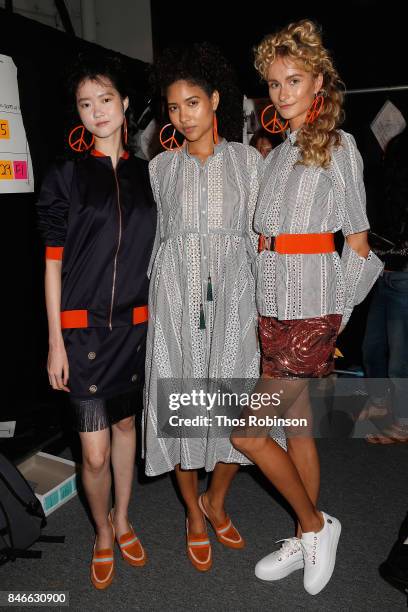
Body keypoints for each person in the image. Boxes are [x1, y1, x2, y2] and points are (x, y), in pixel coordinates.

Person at [230, 19, 383, 595]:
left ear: (319, 81)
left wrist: (332, 317)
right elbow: (261, 243)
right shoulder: (273, 156)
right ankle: (305, 532)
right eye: (273, 83)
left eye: (294, 79)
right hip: (273, 312)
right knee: (297, 431)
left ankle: (319, 525)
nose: (283, 92)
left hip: (311, 313)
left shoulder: (338, 147)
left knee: (247, 434)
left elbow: (360, 247)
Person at [144, 42, 285, 572]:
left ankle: (217, 500)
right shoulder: (161, 169)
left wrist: (270, 309)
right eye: (174, 108)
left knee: (235, 408)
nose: (183, 117)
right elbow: (158, 239)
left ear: (216, 100)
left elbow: (258, 240)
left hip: (234, 300)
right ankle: (194, 515)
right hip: (177, 302)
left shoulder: (250, 162)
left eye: (193, 104)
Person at [36, 54, 156, 589]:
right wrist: (54, 341)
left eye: (105, 99)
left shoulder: (148, 175)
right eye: (86, 104)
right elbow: (52, 264)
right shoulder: (65, 175)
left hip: (135, 327)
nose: (97, 111)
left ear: (125, 103)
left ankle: (124, 519)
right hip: (81, 332)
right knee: (94, 447)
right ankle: (102, 533)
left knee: (128, 425)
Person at [361, 128, 408, 443]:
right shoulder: (387, 192)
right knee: (372, 347)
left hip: (404, 278)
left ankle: (404, 422)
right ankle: (379, 403)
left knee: (399, 358)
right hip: (384, 274)